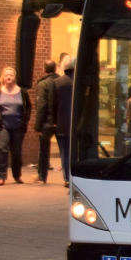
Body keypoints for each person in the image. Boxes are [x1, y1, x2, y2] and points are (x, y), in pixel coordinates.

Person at [0, 66, 31, 185]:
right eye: (6, 75)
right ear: (3, 77)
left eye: (11, 75)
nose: (8, 77)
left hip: (18, 126)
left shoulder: (22, 92)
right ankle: (1, 176)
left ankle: (17, 176)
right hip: (1, 125)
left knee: (16, 151)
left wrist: (25, 121)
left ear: (14, 77)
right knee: (2, 149)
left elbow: (28, 107)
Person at [33, 60, 59, 183]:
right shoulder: (61, 82)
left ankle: (42, 175)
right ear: (56, 68)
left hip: (46, 122)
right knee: (64, 150)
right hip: (60, 121)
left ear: (44, 69)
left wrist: (38, 126)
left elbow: (41, 105)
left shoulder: (43, 84)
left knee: (44, 149)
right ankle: (67, 178)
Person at [51, 55, 75, 185]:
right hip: (77, 124)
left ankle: (67, 178)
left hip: (62, 123)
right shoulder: (80, 82)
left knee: (64, 152)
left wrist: (55, 121)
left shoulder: (58, 82)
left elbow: (53, 104)